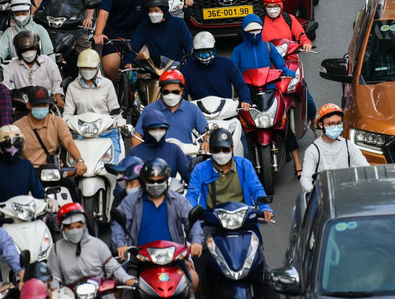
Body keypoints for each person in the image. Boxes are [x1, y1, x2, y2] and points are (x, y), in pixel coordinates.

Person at [186, 128, 274, 297]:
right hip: (212, 224)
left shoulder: (244, 165)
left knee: (263, 269)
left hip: (244, 223)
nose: (221, 153)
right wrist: (192, 214)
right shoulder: (200, 170)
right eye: (216, 149)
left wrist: (265, 208)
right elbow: (192, 194)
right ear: (210, 150)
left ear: (232, 147)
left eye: (225, 149)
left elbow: (257, 189)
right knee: (199, 262)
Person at [110, 159, 202, 291]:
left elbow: (192, 222)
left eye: (160, 181)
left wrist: (196, 242)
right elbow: (118, 225)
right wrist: (120, 245)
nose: (156, 184)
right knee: (122, 289)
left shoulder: (178, 200)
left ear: (166, 180)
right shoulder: (130, 202)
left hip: (173, 261)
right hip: (139, 261)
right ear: (144, 181)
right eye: (151, 181)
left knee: (193, 280)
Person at [231, 14, 302, 175]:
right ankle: (243, 169)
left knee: (283, 126)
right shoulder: (238, 51)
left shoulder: (268, 47)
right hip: (248, 95)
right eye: (251, 31)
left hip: (270, 91)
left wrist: (291, 73)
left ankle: (298, 162)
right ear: (244, 32)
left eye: (258, 30)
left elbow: (281, 66)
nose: (254, 34)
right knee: (243, 130)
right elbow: (232, 72)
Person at [93, 0, 155, 80]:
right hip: (115, 34)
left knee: (147, 65)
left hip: (139, 33)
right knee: (109, 66)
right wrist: (98, 33)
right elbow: (104, 13)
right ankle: (117, 92)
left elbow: (152, 13)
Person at [48, 202, 136, 289]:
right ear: (62, 228)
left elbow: (113, 267)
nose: (75, 231)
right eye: (70, 227)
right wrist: (53, 289)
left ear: (84, 225)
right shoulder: (56, 249)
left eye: (78, 226)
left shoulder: (98, 245)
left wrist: (126, 278)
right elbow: (55, 278)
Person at [63, 49, 125, 161]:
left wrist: (120, 125)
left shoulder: (107, 84)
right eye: (84, 68)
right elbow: (68, 113)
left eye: (91, 68)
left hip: (106, 131)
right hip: (82, 133)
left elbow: (115, 110)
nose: (87, 71)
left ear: (97, 67)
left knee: (114, 166)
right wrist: (64, 124)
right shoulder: (72, 87)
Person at [14, 86, 88, 174]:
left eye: (44, 105)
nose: (41, 108)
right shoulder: (17, 127)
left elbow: (68, 142)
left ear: (49, 105)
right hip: (28, 173)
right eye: (37, 105)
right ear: (28, 105)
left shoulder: (57, 122)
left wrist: (79, 160)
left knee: (70, 188)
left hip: (53, 172)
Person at [299, 104, 368, 193]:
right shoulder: (313, 150)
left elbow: (365, 168)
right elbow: (305, 179)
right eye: (331, 124)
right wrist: (315, 195)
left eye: (339, 123)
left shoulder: (348, 146)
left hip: (348, 193)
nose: (336, 126)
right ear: (321, 125)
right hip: (324, 194)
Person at [134, 70, 208, 149]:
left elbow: (206, 133)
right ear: (161, 91)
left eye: (175, 92)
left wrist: (206, 142)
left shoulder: (192, 109)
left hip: (186, 158)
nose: (170, 95)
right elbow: (137, 136)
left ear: (182, 91)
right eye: (166, 92)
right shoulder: (150, 110)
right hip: (157, 159)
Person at [125, 0, 194, 71]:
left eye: (156, 10)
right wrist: (128, 62)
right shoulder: (145, 25)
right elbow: (134, 45)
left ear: (164, 10)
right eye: (150, 11)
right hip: (153, 69)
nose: (153, 14)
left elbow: (189, 45)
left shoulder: (178, 23)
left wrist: (191, 65)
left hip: (176, 68)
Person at [0, 125, 46, 203]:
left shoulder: (27, 166)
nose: (12, 149)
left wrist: (47, 200)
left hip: (25, 212)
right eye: (8, 145)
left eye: (16, 144)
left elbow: (39, 193)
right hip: (1, 213)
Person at [182, 32, 250, 106]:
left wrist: (245, 99)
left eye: (208, 50)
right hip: (200, 113)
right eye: (200, 51)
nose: (204, 55)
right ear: (194, 51)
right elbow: (182, 92)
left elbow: (241, 85)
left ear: (214, 48)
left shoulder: (227, 64)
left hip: (227, 111)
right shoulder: (187, 70)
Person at [127, 111, 191, 183]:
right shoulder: (135, 152)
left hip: (169, 192)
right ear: (145, 129)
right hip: (141, 193)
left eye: (161, 128)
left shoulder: (174, 150)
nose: (158, 132)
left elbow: (188, 174)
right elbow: (124, 180)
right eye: (153, 129)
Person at [3, 31, 64, 105]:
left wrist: (58, 95)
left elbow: (57, 81)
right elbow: (4, 84)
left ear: (37, 48)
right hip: (24, 105)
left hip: (46, 103)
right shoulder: (13, 65)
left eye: (32, 49)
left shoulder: (47, 61)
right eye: (24, 50)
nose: (28, 53)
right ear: (19, 52)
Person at [0, 0, 54, 67]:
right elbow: (0, 53)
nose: (21, 16)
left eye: (24, 13)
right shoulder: (8, 32)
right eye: (17, 14)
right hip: (15, 71)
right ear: (12, 14)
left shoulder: (40, 30)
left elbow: (49, 54)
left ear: (30, 10)